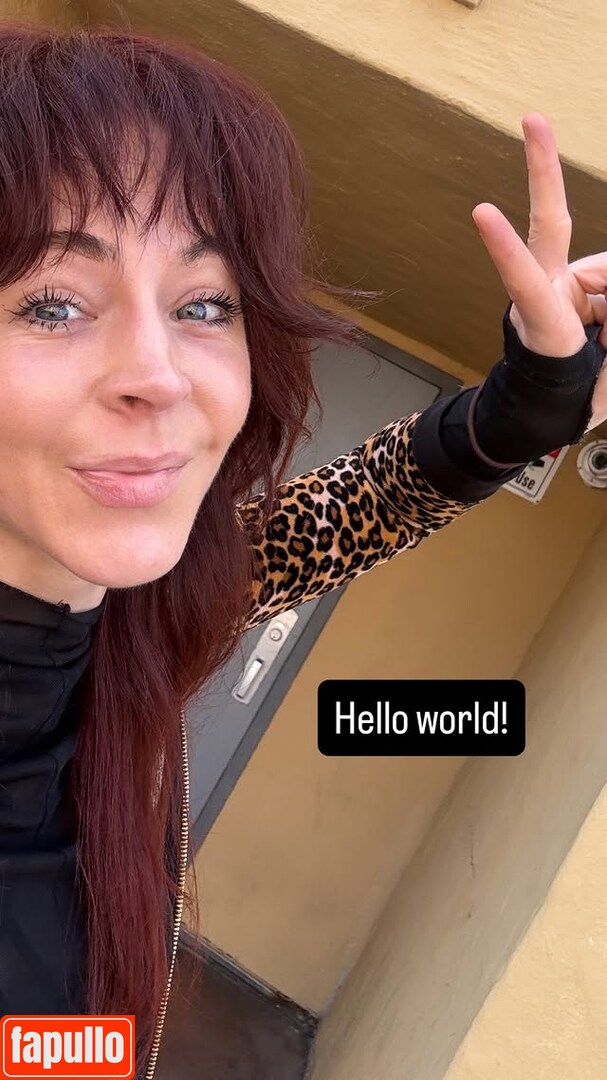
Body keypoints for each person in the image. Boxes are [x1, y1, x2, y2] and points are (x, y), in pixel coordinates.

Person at [0, 21, 605, 1080]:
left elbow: (346, 515)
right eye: (53, 304)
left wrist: (520, 413)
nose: (159, 374)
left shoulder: (147, 610)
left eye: (203, 304)